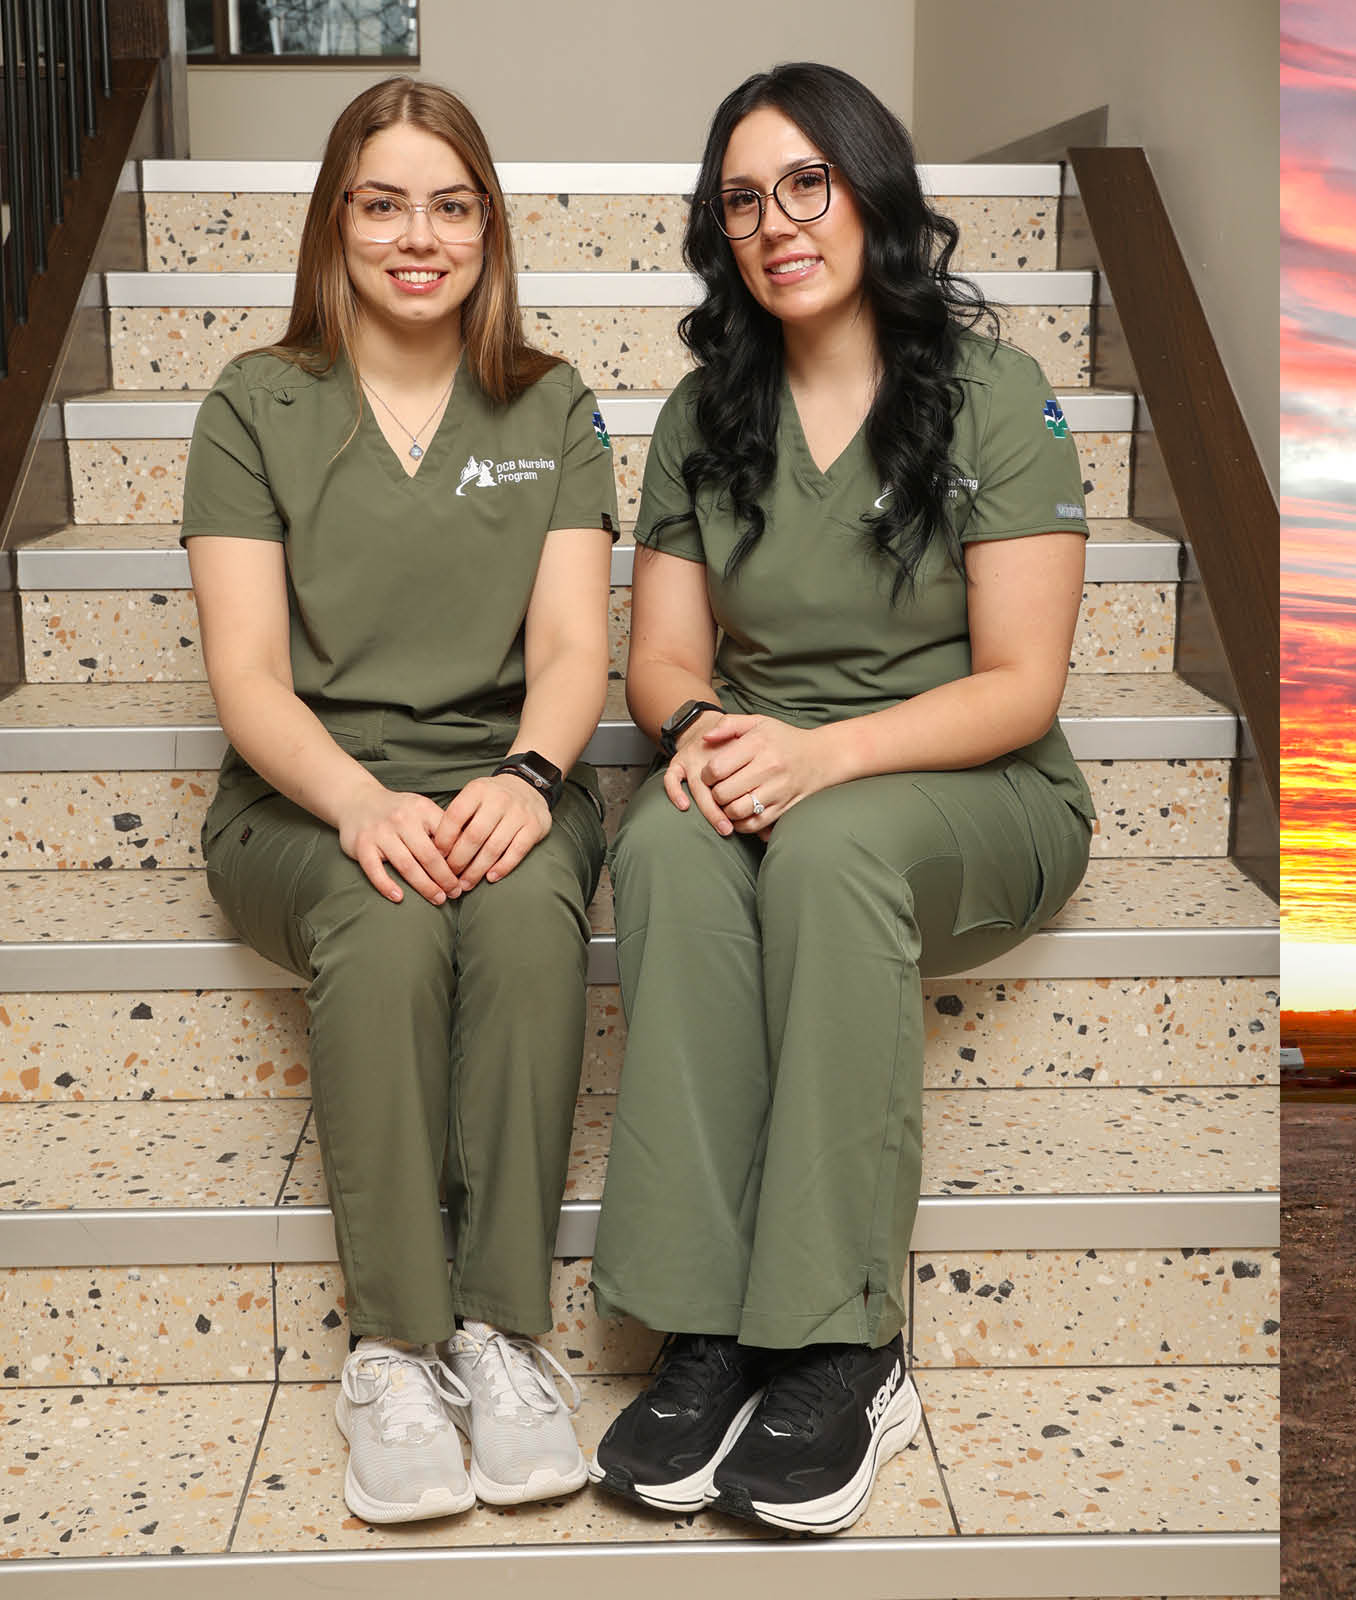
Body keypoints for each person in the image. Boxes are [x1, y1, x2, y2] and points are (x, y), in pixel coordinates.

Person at [584, 62, 1096, 1535]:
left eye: (806, 183)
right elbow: (666, 659)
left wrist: (821, 758)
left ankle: (842, 1342)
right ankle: (708, 1330)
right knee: (671, 851)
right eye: (743, 199)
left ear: (871, 192)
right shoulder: (704, 413)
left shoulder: (994, 397)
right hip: (770, 757)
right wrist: (696, 734)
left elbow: (1022, 682)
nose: (777, 222)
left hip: (968, 782)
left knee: (828, 857)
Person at [182, 78, 612, 1527]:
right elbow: (245, 677)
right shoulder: (255, 401)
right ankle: (392, 1350)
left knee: (526, 922)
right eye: (383, 203)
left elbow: (569, 649)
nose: (416, 237)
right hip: (303, 793)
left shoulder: (548, 400)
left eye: (450, 204)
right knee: (385, 925)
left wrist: (532, 777)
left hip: (506, 772)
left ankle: (499, 1335)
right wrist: (361, 804)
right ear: (336, 221)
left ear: (488, 226)